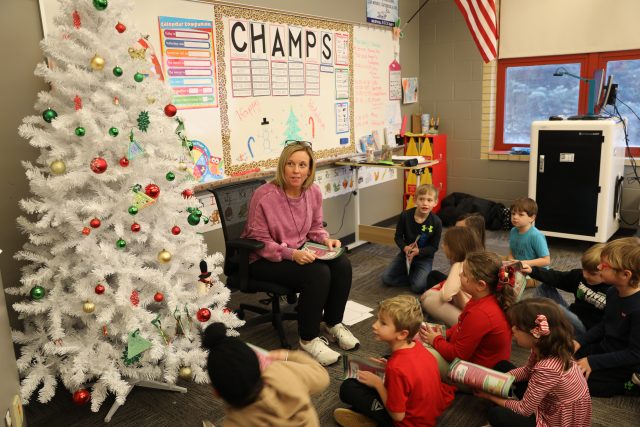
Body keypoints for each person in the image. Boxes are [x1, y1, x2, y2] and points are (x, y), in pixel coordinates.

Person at [241, 141, 358, 366]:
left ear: (309, 168)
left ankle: (333, 324)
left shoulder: (312, 191)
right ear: (282, 166)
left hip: (299, 250)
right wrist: (291, 254)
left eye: (302, 165)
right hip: (264, 258)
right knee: (318, 273)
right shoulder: (264, 195)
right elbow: (259, 241)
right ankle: (308, 339)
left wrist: (325, 239)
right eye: (291, 164)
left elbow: (315, 227)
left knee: (341, 263)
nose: (296, 171)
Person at [335, 295, 455, 427]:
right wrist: (387, 367)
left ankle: (373, 420)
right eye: (377, 320)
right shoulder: (418, 346)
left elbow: (398, 416)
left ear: (402, 334)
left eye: (383, 323)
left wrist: (378, 385)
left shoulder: (396, 368)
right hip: (427, 411)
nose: (374, 325)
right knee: (385, 362)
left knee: (348, 388)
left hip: (407, 423)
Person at [476, 298, 592, 427]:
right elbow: (527, 371)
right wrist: (501, 379)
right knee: (502, 367)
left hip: (556, 421)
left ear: (535, 335)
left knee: (497, 415)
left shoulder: (547, 368)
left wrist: (490, 396)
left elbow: (524, 410)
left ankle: (499, 410)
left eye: (518, 327)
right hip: (549, 402)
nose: (513, 329)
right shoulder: (543, 347)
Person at [202, 322, 330, 426]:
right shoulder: (282, 372)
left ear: (216, 393)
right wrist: (288, 355)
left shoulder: (234, 423)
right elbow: (322, 377)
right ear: (259, 365)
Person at [419, 251, 513, 379]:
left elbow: (457, 355)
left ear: (480, 285)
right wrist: (444, 335)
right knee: (420, 338)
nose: (459, 275)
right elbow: (461, 325)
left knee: (417, 351)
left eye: (464, 274)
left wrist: (435, 340)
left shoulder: (481, 313)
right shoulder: (484, 298)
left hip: (475, 374)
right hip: (474, 361)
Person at [573, 236, 640, 397]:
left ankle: (628, 386)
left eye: (604, 265)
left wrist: (592, 362)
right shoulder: (612, 292)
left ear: (625, 274)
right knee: (563, 358)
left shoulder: (637, 309)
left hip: (627, 363)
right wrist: (579, 341)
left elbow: (635, 354)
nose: (598, 266)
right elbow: (605, 324)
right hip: (607, 347)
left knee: (577, 383)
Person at [522, 243, 609, 336]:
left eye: (592, 274)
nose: (585, 275)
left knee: (555, 309)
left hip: (585, 331)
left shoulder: (613, 291)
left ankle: (548, 325)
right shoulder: (579, 276)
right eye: (584, 269)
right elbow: (557, 278)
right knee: (544, 288)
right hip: (570, 315)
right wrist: (532, 270)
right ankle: (547, 323)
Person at [382, 184, 442, 294]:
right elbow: (398, 237)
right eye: (421, 199)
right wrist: (405, 248)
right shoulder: (405, 216)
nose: (425, 203)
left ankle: (416, 277)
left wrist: (419, 251)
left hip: (424, 258)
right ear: (415, 200)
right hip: (405, 255)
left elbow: (434, 247)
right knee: (386, 278)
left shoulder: (436, 222)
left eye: (429, 200)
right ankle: (413, 276)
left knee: (418, 288)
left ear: (435, 202)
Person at [420, 227, 483, 327]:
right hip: (481, 314)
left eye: (445, 243)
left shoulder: (459, 265)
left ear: (454, 247)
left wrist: (431, 294)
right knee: (431, 293)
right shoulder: (477, 262)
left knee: (428, 301)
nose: (442, 245)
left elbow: (446, 295)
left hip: (472, 320)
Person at [425, 213, 487, 290]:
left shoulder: (470, 260)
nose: (454, 233)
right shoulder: (466, 251)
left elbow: (455, 290)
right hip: (457, 287)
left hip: (462, 291)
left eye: (460, 230)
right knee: (433, 275)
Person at [507, 197, 550, 287]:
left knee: (512, 283)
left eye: (520, 214)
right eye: (513, 213)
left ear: (532, 217)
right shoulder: (513, 231)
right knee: (493, 261)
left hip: (534, 273)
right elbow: (511, 250)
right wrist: (511, 261)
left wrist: (522, 263)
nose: (515, 217)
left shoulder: (536, 236)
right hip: (518, 266)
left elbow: (546, 261)